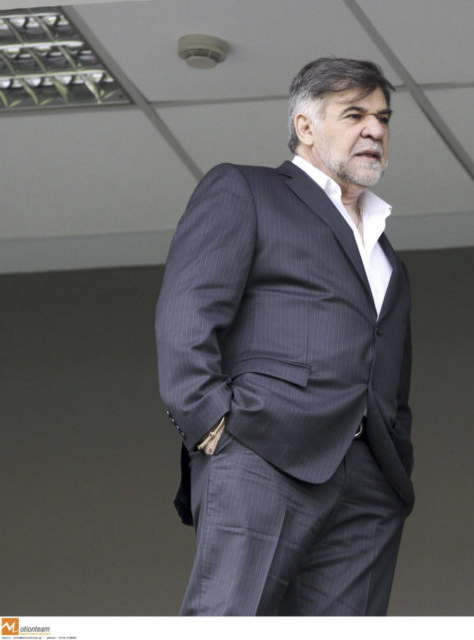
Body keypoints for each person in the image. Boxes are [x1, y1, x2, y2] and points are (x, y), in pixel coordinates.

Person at [155, 57, 414, 615]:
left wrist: (395, 455)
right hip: (263, 452)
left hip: (369, 480)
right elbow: (186, 314)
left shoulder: (384, 249)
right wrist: (213, 425)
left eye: (383, 117)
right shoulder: (246, 189)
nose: (375, 129)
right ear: (305, 127)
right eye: (355, 115)